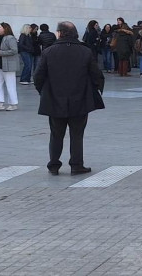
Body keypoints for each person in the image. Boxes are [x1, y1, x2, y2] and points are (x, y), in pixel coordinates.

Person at [34, 21, 104, 175]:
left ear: (59, 33)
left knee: (56, 134)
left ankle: (54, 164)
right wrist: (95, 90)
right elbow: (96, 75)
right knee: (77, 134)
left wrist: (43, 92)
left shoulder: (48, 52)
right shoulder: (85, 51)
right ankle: (76, 164)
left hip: (54, 99)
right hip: (79, 99)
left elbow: (38, 76)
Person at [0, 22, 21, 111]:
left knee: (10, 84)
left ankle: (13, 103)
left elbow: (14, 51)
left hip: (8, 65)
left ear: (5, 28)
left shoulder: (10, 38)